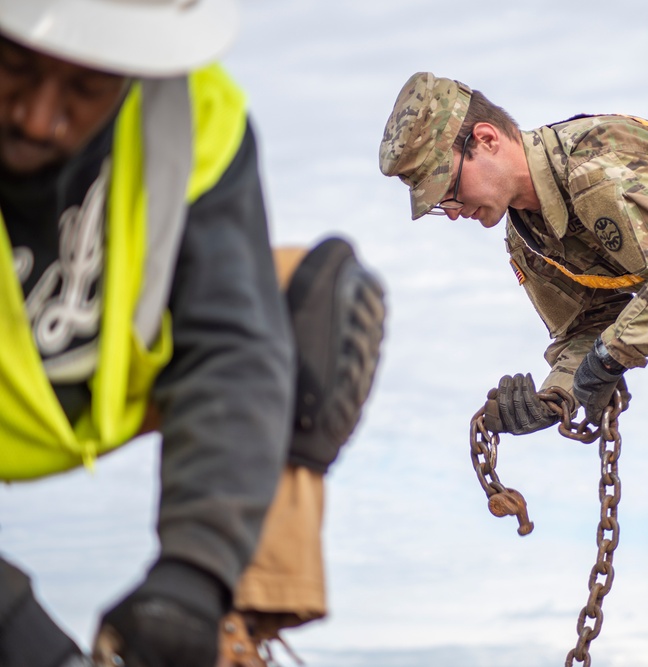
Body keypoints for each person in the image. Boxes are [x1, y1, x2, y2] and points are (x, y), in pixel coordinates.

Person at [0, 1, 385, 666]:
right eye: (11, 68)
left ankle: (231, 620)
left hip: (85, 386)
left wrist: (194, 575)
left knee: (300, 298)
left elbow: (233, 349)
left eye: (85, 87)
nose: (37, 116)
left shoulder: (196, 114)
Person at [379, 71, 648, 667]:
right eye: (439, 206)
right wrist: (553, 398)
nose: (451, 211)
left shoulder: (597, 164)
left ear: (485, 139)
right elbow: (585, 330)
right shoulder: (527, 239)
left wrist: (609, 359)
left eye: (448, 189)